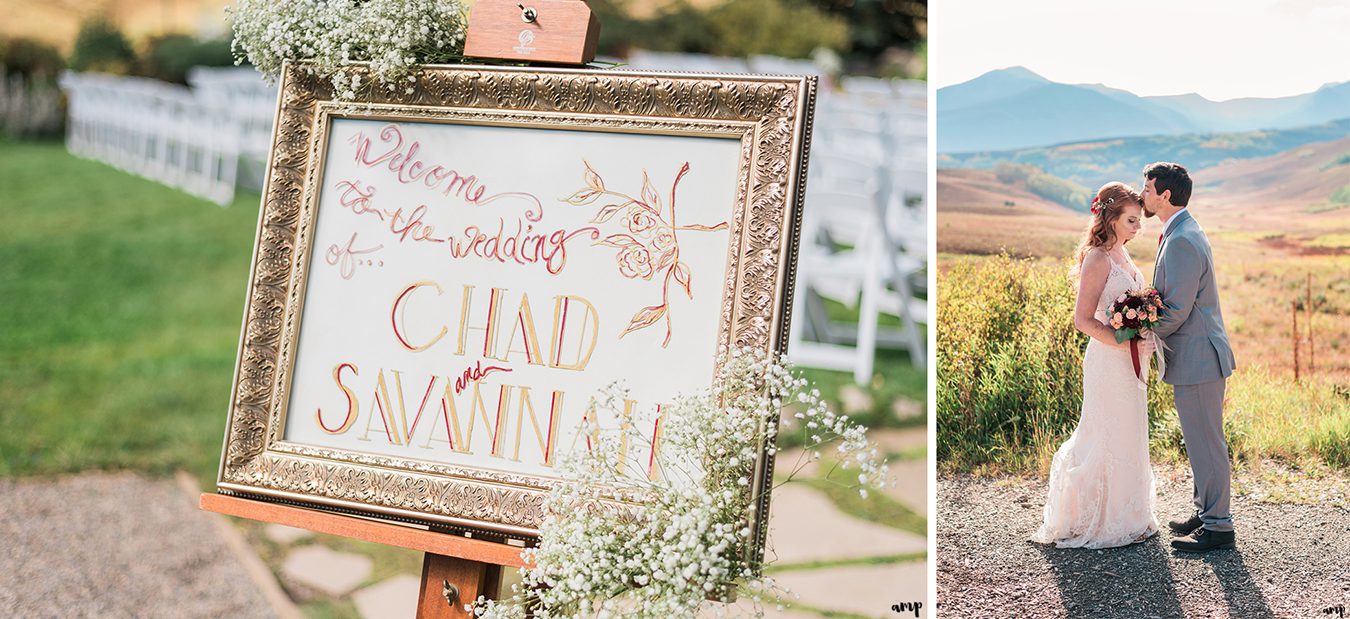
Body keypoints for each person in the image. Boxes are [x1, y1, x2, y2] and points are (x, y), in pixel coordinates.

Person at [1032, 181, 1160, 549]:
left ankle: (1129, 515)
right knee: (1106, 432)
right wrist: (1126, 339)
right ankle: (1095, 518)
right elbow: (1084, 320)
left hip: (1132, 362)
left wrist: (1143, 329)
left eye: (1139, 221)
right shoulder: (1098, 258)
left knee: (1130, 431)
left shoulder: (1122, 253)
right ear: (1112, 217)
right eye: (1132, 220)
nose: (1139, 228)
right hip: (1108, 360)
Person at [1140, 162, 1237, 552]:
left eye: (1146, 188)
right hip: (1198, 355)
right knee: (1200, 440)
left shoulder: (1181, 239)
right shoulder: (1181, 229)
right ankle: (1206, 510)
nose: (1142, 194)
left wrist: (1141, 335)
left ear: (1165, 195)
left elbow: (1176, 308)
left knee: (1207, 442)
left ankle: (1218, 527)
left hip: (1199, 357)